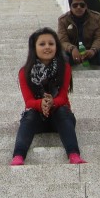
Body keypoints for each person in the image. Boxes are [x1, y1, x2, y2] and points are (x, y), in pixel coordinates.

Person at [10, 27, 87, 166]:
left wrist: (52, 102)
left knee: (63, 110)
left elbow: (63, 97)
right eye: (42, 44)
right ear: (34, 47)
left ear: (57, 47)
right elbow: (29, 101)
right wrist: (41, 104)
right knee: (29, 115)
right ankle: (18, 156)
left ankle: (74, 154)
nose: (47, 47)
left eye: (51, 44)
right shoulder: (25, 72)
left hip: (60, 117)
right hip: (37, 119)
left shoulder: (64, 67)